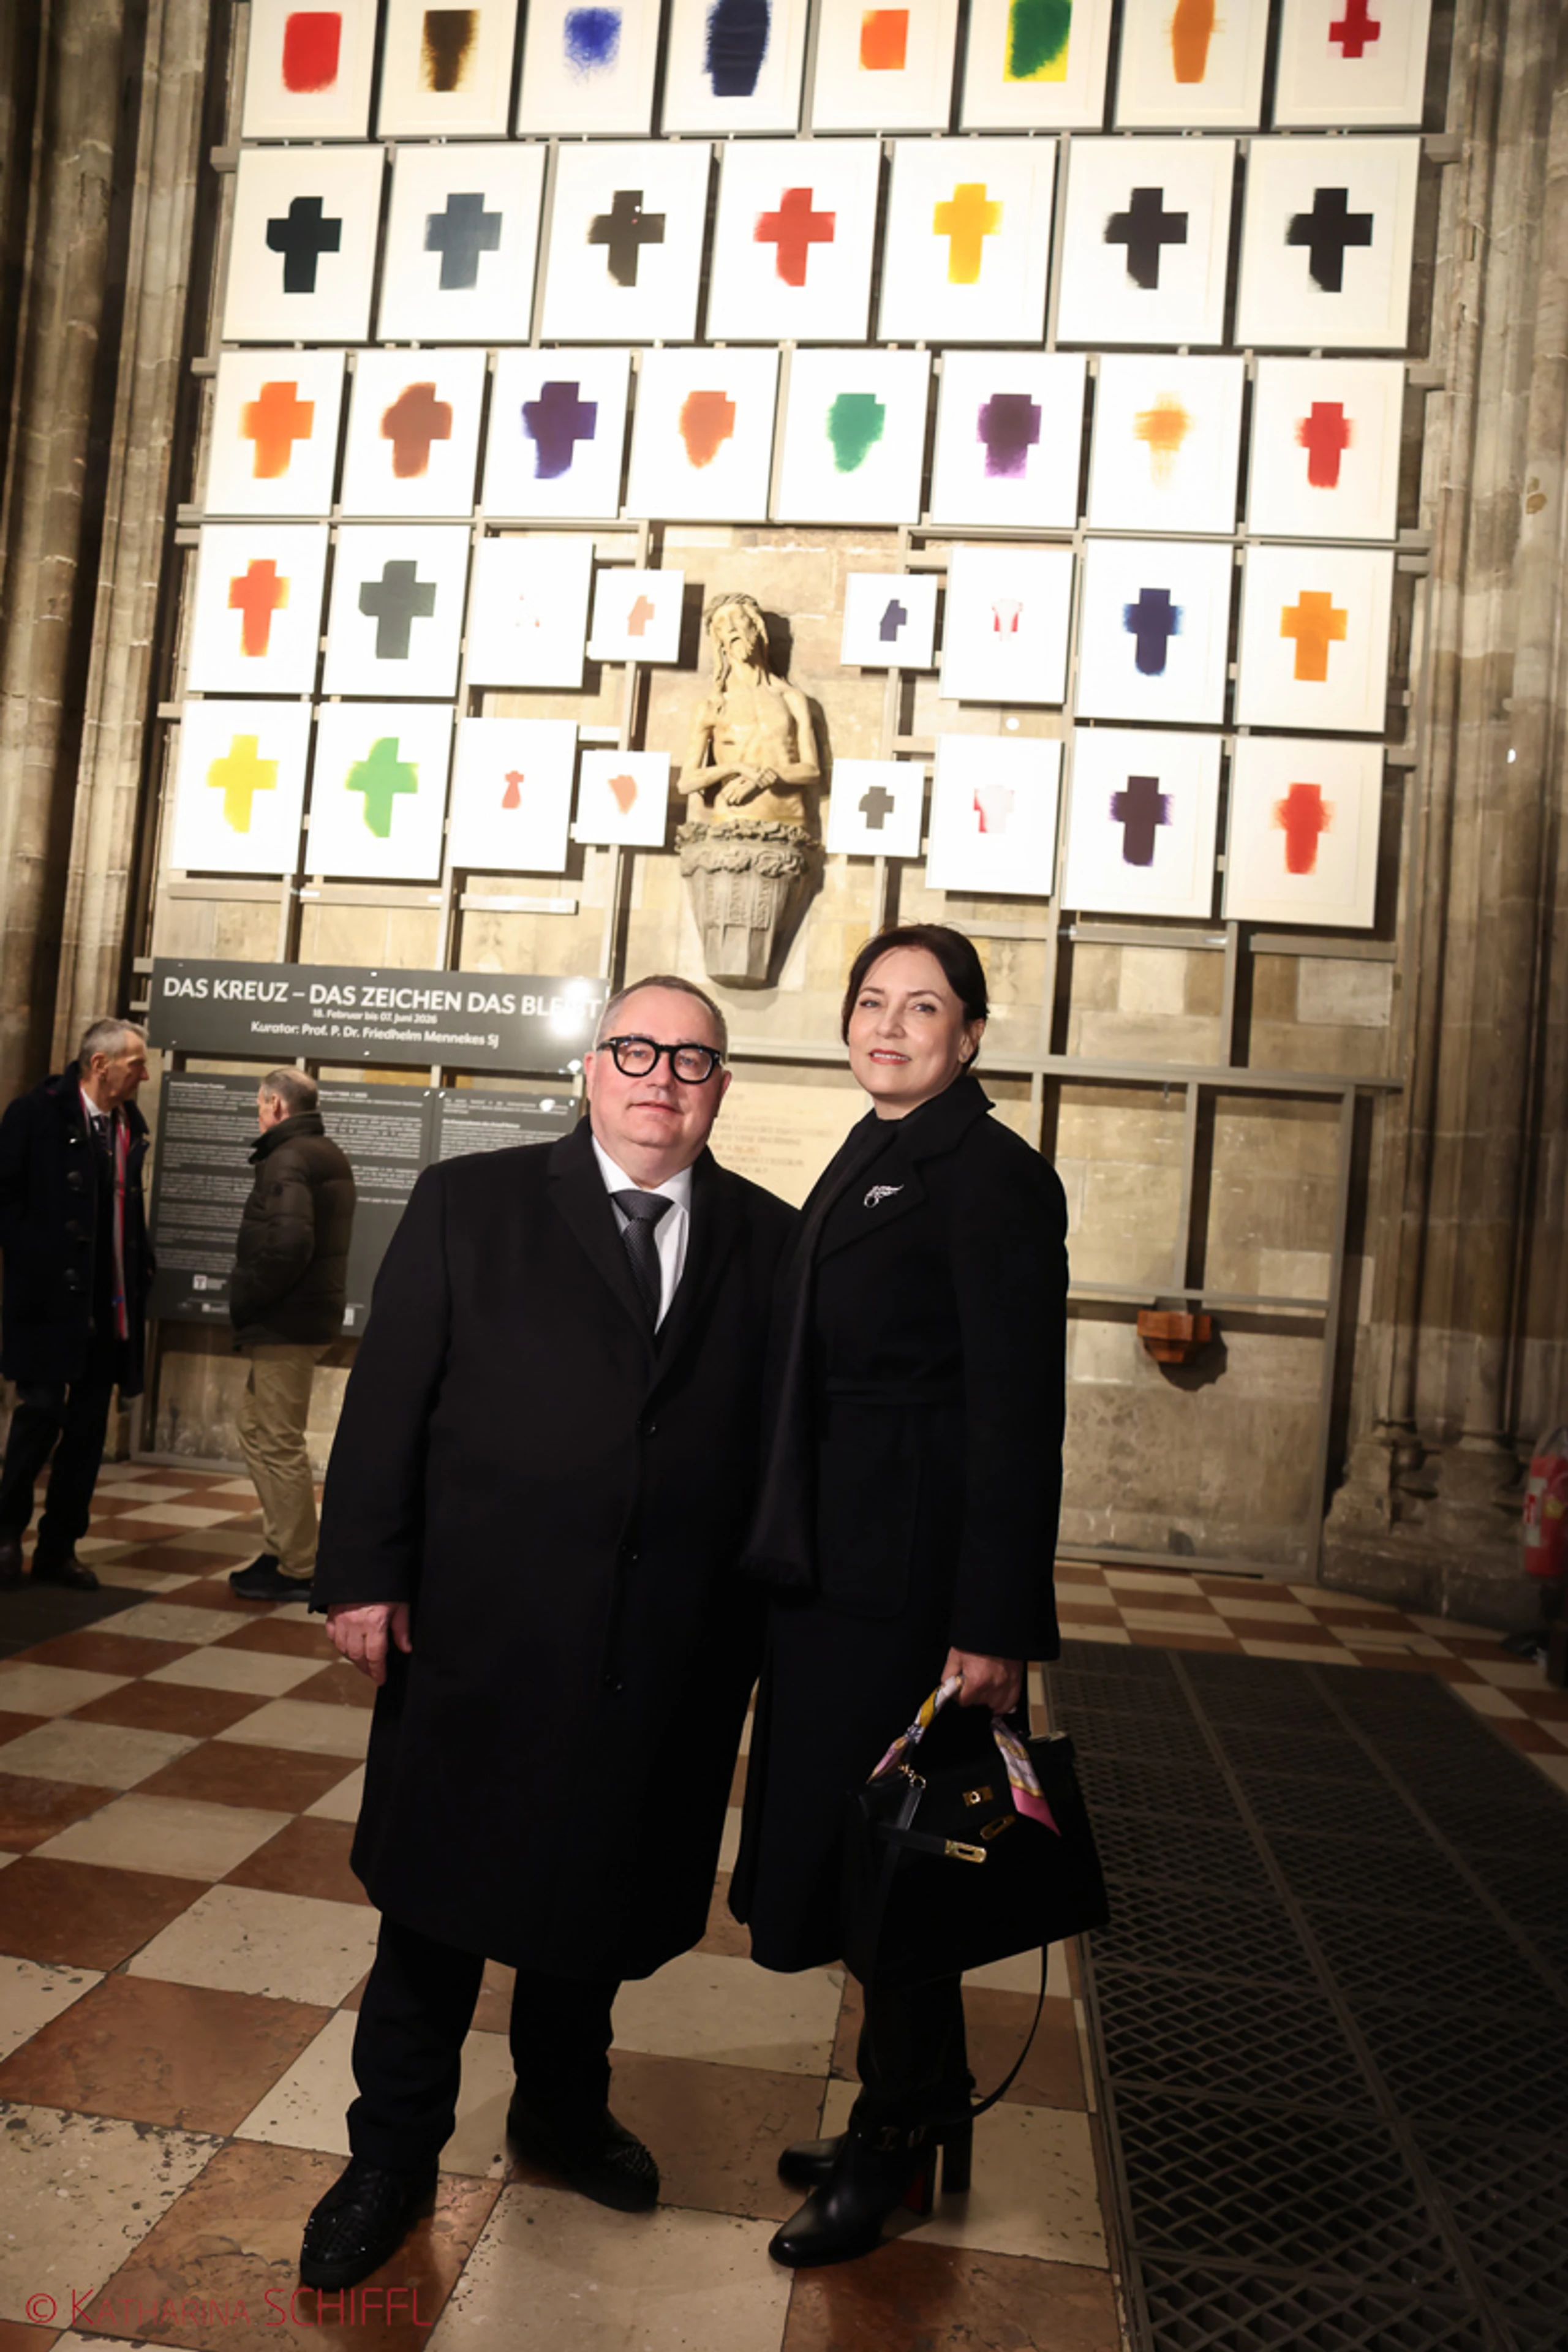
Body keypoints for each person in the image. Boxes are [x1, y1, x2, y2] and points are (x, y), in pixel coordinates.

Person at [299, 976, 795, 2292]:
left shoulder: (769, 1242)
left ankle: (561, 2109)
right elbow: (388, 1402)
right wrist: (362, 1575)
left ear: (720, 1088)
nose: (659, 1078)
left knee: (604, 1896)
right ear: (589, 1070)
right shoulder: (477, 1204)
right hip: (482, 1638)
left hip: (663, 1649)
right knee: (434, 1910)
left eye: (690, 1060)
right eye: (634, 1050)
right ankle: (388, 2154)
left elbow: (774, 1459)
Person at [731, 924, 1069, 2269]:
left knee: (899, 1874)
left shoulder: (989, 1177)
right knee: (863, 1854)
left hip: (910, 1585)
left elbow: (1016, 1417)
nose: (887, 1025)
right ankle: (909, 2109)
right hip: (836, 1570)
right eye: (870, 1002)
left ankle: (891, 2148)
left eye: (919, 1007)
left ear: (969, 1034)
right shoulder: (877, 1148)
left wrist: (989, 1624)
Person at [0, 1019, 155, 1592]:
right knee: (37, 1419)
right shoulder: (35, 1115)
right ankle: (5, 1534)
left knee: (88, 1433)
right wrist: (36, 1258)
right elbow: (5, 1198)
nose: (144, 1073)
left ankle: (60, 1547)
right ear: (100, 1066)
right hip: (49, 1303)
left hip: (109, 1302)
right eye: (136, 1063)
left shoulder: (127, 1124)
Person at [227, 1069, 355, 1605]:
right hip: (298, 1318)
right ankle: (285, 1547)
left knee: (276, 1437)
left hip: (286, 1321)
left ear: (276, 1105)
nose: (259, 1113)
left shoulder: (288, 1158)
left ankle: (298, 1563)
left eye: (260, 1105)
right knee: (256, 1427)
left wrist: (249, 1297)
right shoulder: (321, 1152)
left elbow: (289, 1243)